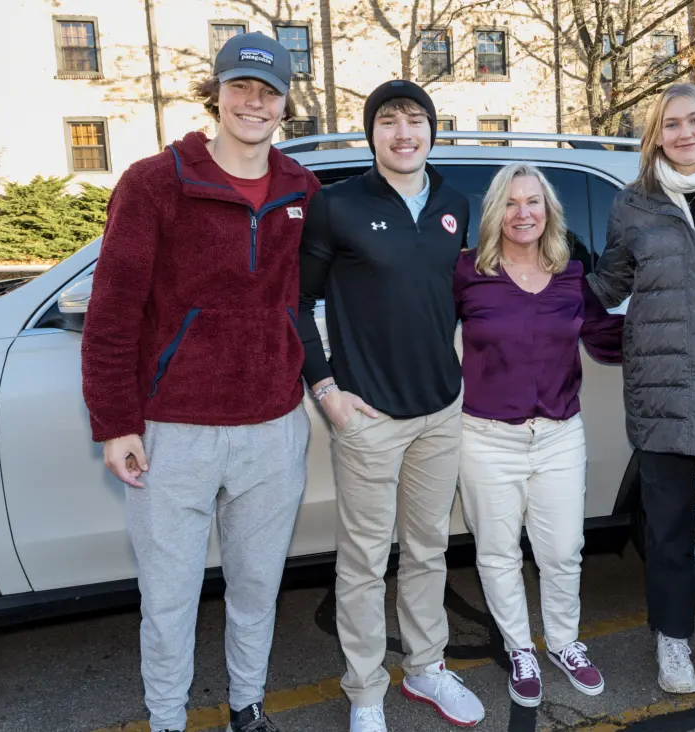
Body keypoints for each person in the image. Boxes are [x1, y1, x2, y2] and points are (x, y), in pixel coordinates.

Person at [80, 32, 320, 732]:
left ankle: (248, 705)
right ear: (216, 93)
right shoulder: (155, 183)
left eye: (268, 91)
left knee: (256, 589)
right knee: (169, 597)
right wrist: (116, 422)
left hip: (274, 428)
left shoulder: (299, 188)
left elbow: (309, 298)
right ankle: (166, 719)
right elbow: (113, 312)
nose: (254, 101)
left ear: (284, 103)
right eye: (241, 87)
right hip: (172, 432)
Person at [296, 80, 484, 732]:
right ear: (371, 133)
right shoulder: (337, 205)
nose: (403, 133)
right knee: (364, 564)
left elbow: (459, 299)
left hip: (439, 411)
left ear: (433, 130)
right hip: (367, 417)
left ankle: (427, 667)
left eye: (415, 121)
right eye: (389, 121)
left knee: (430, 550)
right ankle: (367, 691)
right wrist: (327, 394)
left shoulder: (457, 202)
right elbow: (293, 304)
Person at [584, 83, 695, 694]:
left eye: (694, 121)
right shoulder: (632, 205)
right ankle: (672, 640)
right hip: (660, 394)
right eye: (670, 124)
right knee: (664, 533)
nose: (684, 133)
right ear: (655, 136)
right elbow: (607, 285)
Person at [453, 164, 624, 708]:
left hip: (558, 436)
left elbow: (609, 339)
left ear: (548, 210)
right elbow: (418, 331)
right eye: (510, 202)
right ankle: (520, 646)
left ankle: (565, 643)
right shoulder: (465, 273)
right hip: (485, 438)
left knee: (564, 550)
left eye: (533, 202)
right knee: (498, 552)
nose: (522, 213)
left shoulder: (572, 276)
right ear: (494, 212)